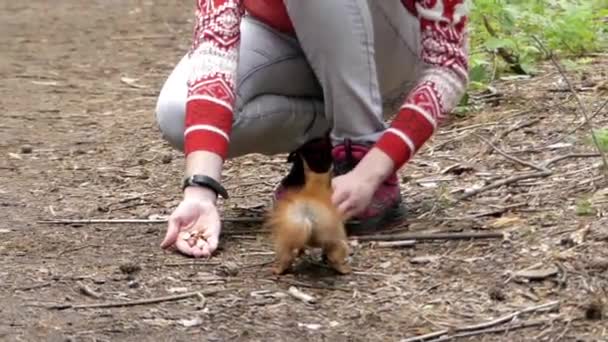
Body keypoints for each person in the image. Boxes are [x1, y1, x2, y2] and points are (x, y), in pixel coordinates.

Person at [155, 0, 469, 258]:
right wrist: (201, 192)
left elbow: (447, 67)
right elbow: (215, 54)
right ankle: (323, 144)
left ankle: (358, 147)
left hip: (392, 50)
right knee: (177, 114)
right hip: (294, 44)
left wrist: (372, 170)